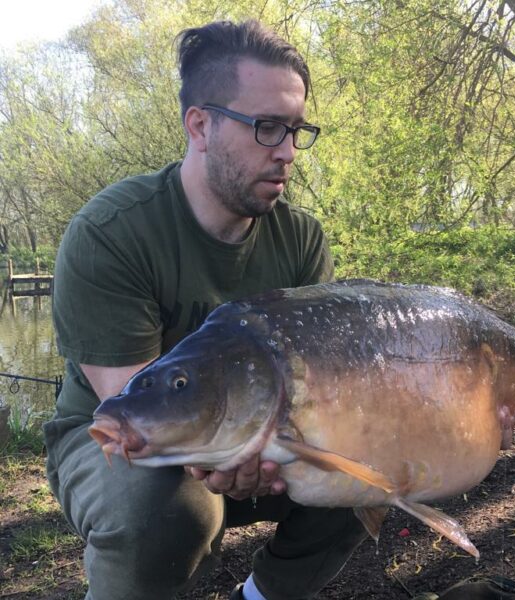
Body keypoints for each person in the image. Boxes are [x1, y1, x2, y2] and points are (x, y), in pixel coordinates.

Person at [43, 19, 367, 600]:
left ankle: (263, 596)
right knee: (167, 509)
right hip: (114, 440)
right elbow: (140, 415)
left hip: (263, 433)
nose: (288, 153)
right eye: (267, 128)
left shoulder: (301, 239)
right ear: (201, 125)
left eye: (296, 130)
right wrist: (242, 448)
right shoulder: (110, 233)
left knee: (369, 468)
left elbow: (321, 385)